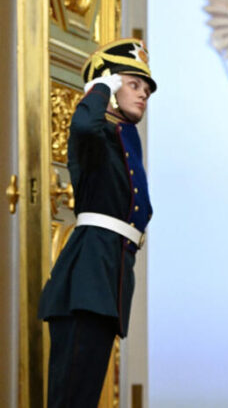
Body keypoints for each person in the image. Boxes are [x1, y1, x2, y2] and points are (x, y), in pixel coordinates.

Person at [38, 38, 156, 407]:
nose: (143, 95)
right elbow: (85, 126)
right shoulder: (95, 135)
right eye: (133, 84)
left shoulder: (124, 138)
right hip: (86, 280)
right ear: (112, 86)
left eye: (146, 90)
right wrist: (101, 85)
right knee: (70, 399)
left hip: (107, 280)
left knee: (83, 397)